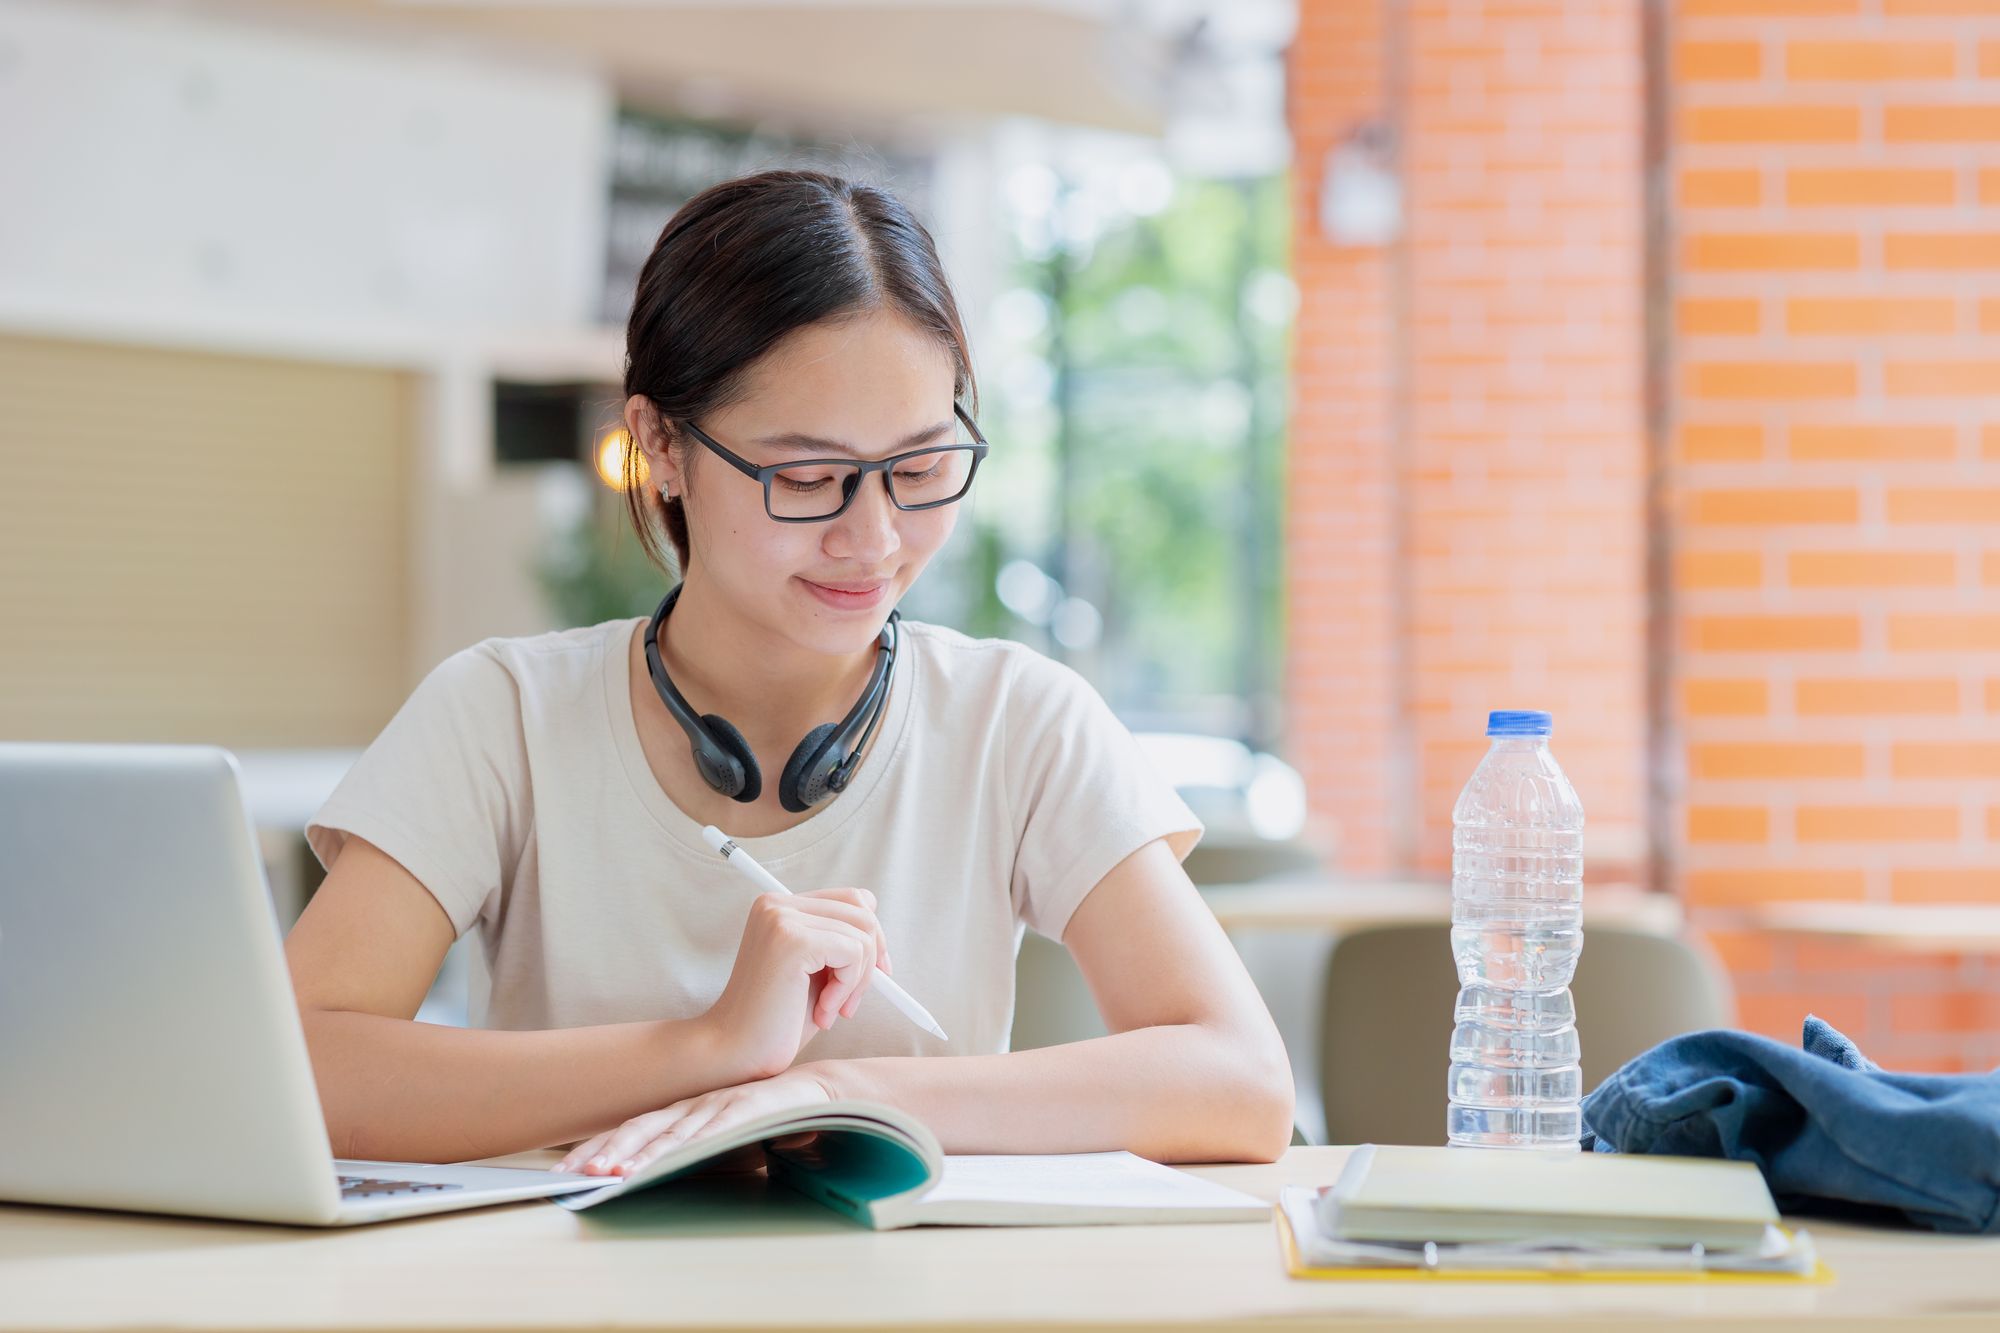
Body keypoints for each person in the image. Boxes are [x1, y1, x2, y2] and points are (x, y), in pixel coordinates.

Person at [284, 169, 1293, 1181]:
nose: (873, 538)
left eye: (920, 467)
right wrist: (710, 1048)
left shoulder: (1014, 721)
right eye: (806, 478)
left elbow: (1239, 1083)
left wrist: (839, 1090)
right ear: (660, 446)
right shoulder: (502, 713)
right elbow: (299, 1067)